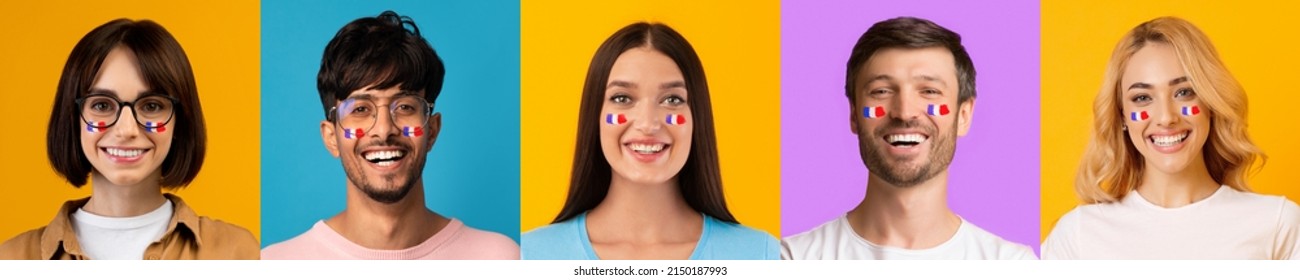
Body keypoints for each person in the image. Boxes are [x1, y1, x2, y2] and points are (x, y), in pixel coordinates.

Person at [259, 11, 518, 260]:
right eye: (360, 109)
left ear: (432, 131)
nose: (383, 130)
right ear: (330, 137)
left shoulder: (503, 259)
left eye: (405, 106)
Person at [1042, 17, 1300, 260]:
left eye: (1184, 92)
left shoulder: (1277, 224)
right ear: (1122, 115)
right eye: (1142, 97)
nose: (1166, 117)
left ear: (1210, 102)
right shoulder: (1080, 235)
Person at [0, 18, 259, 260]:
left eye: (152, 106)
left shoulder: (237, 251)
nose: (127, 130)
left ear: (180, 120)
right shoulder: (12, 258)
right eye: (102, 105)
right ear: (72, 117)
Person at [781, 17, 1034, 260]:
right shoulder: (793, 259)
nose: (904, 112)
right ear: (854, 114)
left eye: (930, 91)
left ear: (964, 116)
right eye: (881, 91)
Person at [521, 22, 779, 260]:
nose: (647, 123)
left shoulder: (761, 255)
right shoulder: (529, 257)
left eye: (672, 100)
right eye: (622, 98)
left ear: (697, 118)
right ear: (594, 116)